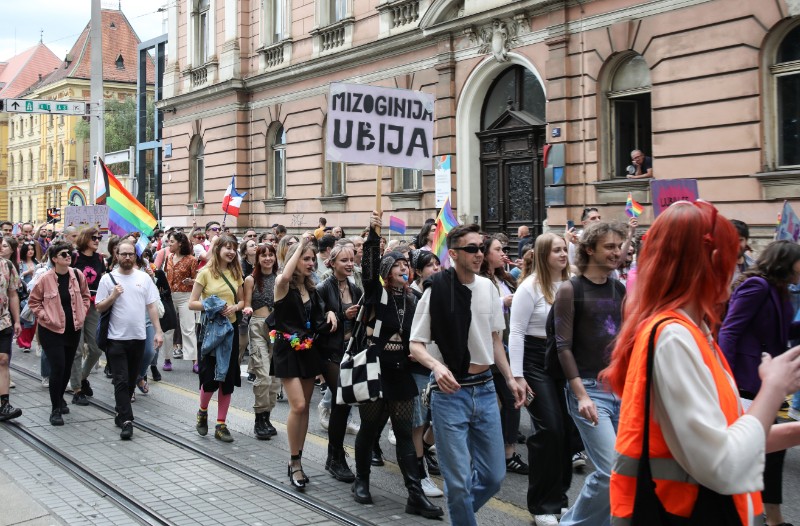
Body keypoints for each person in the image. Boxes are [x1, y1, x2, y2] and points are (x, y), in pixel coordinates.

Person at [603, 200, 800, 526]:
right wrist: (774, 387)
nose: (739, 268)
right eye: (735, 257)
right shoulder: (675, 337)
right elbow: (724, 461)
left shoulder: (694, 332)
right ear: (712, 260)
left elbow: (734, 432)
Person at [410, 223, 525, 526]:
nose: (479, 254)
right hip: (449, 394)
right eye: (472, 249)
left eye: (481, 248)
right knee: (458, 483)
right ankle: (461, 512)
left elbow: (495, 339)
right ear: (454, 254)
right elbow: (415, 345)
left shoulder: (488, 287)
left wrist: (510, 378)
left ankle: (459, 510)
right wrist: (437, 366)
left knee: (494, 476)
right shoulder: (435, 290)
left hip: (486, 389)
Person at [348, 212, 443, 519]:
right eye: (398, 265)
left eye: (407, 266)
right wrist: (374, 235)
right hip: (375, 370)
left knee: (404, 432)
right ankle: (361, 481)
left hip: (401, 372)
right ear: (387, 273)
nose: (405, 268)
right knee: (371, 427)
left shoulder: (415, 301)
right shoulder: (377, 294)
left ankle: (414, 495)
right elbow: (368, 270)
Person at [718, 240, 800, 526]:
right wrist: (725, 375)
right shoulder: (757, 286)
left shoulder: (779, 289)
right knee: (752, 451)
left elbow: (780, 331)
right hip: (745, 380)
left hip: (766, 379)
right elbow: (730, 329)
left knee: (770, 451)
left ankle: (771, 518)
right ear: (786, 262)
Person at [555, 221, 627, 526]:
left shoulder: (619, 288)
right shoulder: (570, 289)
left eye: (619, 246)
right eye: (609, 246)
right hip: (588, 389)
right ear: (589, 249)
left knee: (626, 470)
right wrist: (581, 395)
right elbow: (563, 346)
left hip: (619, 391)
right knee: (612, 470)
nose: (617, 252)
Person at [508, 232, 572, 526]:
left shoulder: (571, 284)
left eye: (565, 249)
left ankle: (560, 496)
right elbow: (516, 333)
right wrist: (517, 376)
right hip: (534, 362)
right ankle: (542, 505)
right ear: (544, 255)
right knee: (550, 429)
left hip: (563, 360)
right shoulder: (529, 288)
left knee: (571, 431)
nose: (563, 254)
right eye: (556, 250)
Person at [272, 236, 332, 489]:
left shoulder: (313, 288)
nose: (310, 262)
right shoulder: (282, 285)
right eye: (305, 259)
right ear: (294, 260)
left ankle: (297, 459)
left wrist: (329, 312)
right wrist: (299, 248)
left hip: (308, 350)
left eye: (312, 258)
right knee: (297, 405)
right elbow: (284, 278)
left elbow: (319, 314)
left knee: (305, 407)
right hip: (288, 349)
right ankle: (294, 460)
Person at [95, 240, 164, 439]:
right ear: (116, 256)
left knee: (131, 379)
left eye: (130, 254)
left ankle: (120, 411)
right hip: (115, 339)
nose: (127, 257)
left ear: (135, 256)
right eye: (123, 254)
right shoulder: (108, 279)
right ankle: (127, 420)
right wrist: (113, 297)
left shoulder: (144, 278)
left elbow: (152, 306)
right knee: (121, 380)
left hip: (139, 338)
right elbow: (99, 307)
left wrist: (158, 332)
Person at [189, 234, 245, 443]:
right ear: (218, 249)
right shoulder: (204, 273)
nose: (231, 252)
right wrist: (213, 305)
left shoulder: (236, 272)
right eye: (227, 248)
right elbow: (192, 303)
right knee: (210, 379)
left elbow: (242, 301)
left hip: (230, 331)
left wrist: (235, 307)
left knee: (227, 379)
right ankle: (202, 411)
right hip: (210, 331)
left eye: (234, 248)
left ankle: (221, 424)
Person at [28, 242, 91, 426]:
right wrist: (44, 316)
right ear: (54, 259)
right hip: (52, 330)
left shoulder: (77, 275)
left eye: (69, 253)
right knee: (58, 367)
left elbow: (86, 296)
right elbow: (34, 302)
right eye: (63, 254)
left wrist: (82, 311)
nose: (68, 256)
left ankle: (60, 398)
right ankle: (55, 409)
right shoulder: (45, 279)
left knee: (65, 368)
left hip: (73, 330)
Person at [480, 234, 527, 475]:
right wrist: (503, 302)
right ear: (485, 253)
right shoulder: (479, 280)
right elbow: (478, 309)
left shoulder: (505, 276)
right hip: (486, 350)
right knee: (486, 404)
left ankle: (508, 453)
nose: (502, 253)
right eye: (497, 249)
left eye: (503, 249)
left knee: (510, 400)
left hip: (505, 346)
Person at [315, 244, 362, 482]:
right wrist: (343, 315)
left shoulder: (354, 288)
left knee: (342, 402)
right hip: (329, 353)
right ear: (332, 263)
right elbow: (318, 324)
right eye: (344, 260)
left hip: (349, 351)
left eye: (351, 260)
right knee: (342, 400)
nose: (349, 264)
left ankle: (334, 455)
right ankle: (336, 457)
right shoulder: (323, 288)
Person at [408, 249, 444, 497]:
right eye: (430, 266)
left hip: (440, 366)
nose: (436, 269)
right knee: (418, 422)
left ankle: (424, 453)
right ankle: (419, 474)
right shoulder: (411, 296)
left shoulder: (444, 292)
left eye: (438, 264)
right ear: (419, 271)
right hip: (419, 366)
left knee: (435, 419)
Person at [242, 243, 281, 439]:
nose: (267, 258)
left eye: (270, 255)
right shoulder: (250, 279)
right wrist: (246, 310)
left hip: (278, 329)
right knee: (263, 375)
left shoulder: (281, 278)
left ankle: (267, 417)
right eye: (263, 255)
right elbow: (247, 304)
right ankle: (259, 418)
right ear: (257, 258)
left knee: (275, 379)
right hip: (257, 326)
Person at [68, 227, 107, 406]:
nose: (97, 240)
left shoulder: (100, 259)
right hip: (75, 305)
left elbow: (102, 280)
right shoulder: (74, 257)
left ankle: (82, 377)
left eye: (99, 237)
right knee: (76, 349)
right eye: (94, 237)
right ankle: (76, 389)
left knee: (97, 348)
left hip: (93, 306)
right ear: (85, 238)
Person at [164, 231, 199, 373]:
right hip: (170, 296)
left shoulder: (192, 259)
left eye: (171, 241)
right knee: (168, 329)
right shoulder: (169, 257)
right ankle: (167, 359)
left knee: (188, 329)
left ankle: (195, 361)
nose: (169, 244)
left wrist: (191, 281)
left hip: (186, 296)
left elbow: (198, 280)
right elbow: (166, 276)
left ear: (180, 243)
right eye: (168, 241)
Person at [0, 237, 22, 422]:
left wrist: (17, 321)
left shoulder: (7, 265)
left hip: (3, 321)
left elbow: (13, 294)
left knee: (3, 360)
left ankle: (4, 404)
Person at [16, 241, 38, 350]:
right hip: (25, 295)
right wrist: (26, 272)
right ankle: (25, 343)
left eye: (32, 249)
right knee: (25, 319)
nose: (31, 251)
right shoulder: (20, 264)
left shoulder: (36, 263)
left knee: (33, 320)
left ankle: (28, 341)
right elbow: (17, 279)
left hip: (36, 294)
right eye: (28, 249)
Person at [731, 219, 756, 284]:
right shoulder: (716, 268)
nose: (736, 244)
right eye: (732, 240)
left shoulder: (754, 267)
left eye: (740, 240)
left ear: (746, 241)